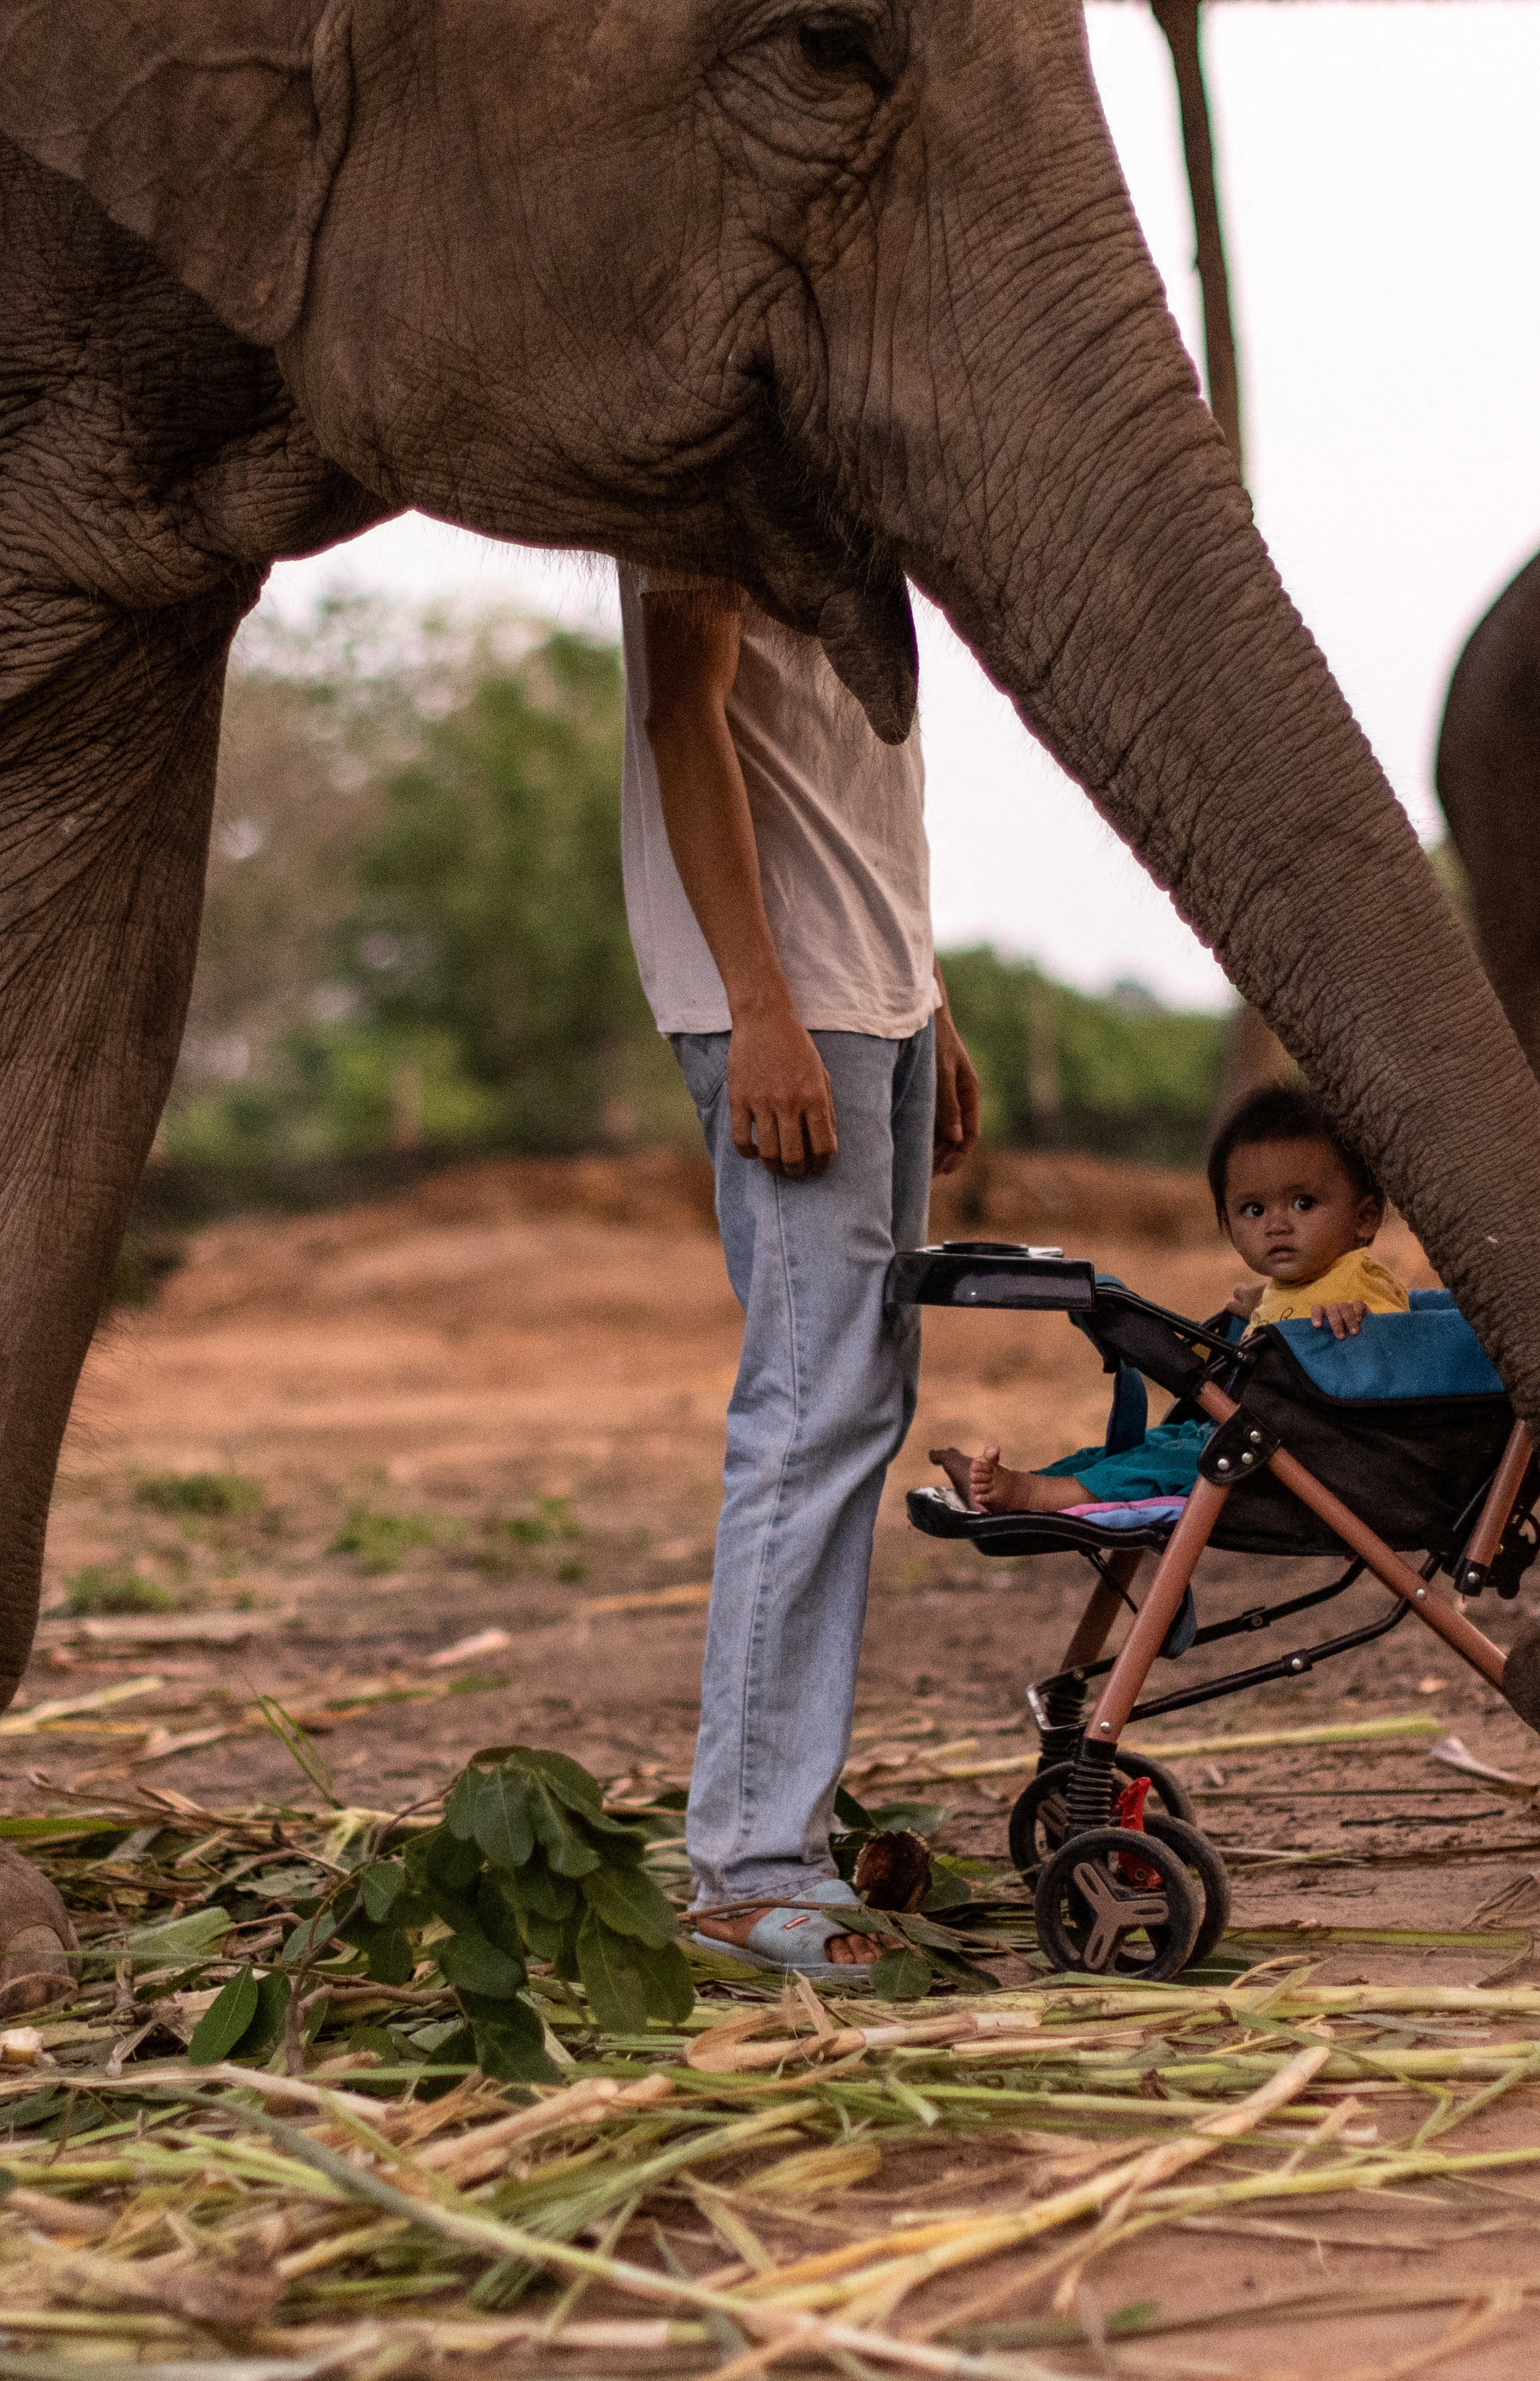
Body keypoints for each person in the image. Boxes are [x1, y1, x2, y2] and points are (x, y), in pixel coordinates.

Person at [623, 566, 977, 1975]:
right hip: (782, 1007)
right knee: (809, 1412)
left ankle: (779, 1837)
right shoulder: (705, 464)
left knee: (856, 1409)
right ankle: (750, 1872)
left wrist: (925, 996)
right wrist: (762, 1010)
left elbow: (863, 775)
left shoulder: (855, 494)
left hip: (870, 996)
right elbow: (678, 720)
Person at [931, 1082, 1405, 1516]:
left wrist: (1360, 1320)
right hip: (1254, 1443)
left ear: (1364, 1219)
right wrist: (1252, 1312)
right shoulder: (1292, 1286)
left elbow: (1403, 1349)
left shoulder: (1357, 1280)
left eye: (1303, 1203)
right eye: (1253, 1209)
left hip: (1299, 1463)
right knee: (1139, 1450)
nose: (1276, 1224)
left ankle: (1034, 1498)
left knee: (1165, 1462)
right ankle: (1025, 1482)